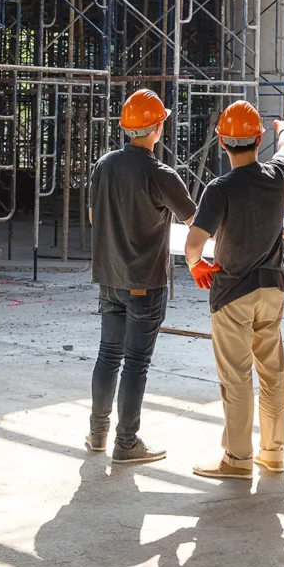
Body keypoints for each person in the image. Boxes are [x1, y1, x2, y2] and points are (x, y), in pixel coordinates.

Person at [183, 103, 284, 481]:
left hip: (233, 293)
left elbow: (194, 242)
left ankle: (238, 458)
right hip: (272, 290)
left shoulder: (221, 188)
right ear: (258, 138)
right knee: (273, 374)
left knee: (236, 378)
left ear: (222, 142)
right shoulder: (278, 175)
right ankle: (273, 453)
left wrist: (196, 264)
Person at [86, 88, 196, 465]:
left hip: (109, 278)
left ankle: (97, 435)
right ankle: (126, 443)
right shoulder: (160, 173)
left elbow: (92, 217)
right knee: (135, 363)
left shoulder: (104, 165)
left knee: (108, 355)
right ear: (157, 127)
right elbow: (196, 223)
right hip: (144, 284)